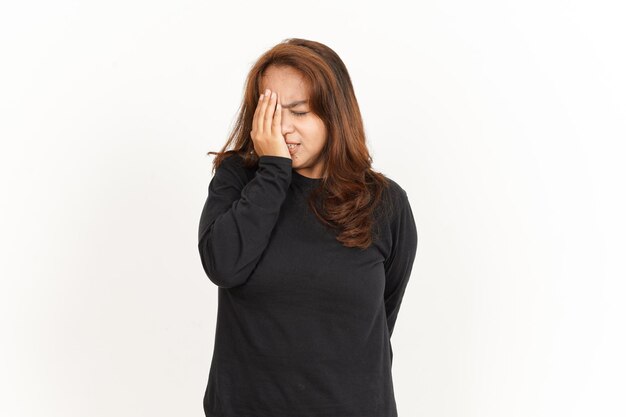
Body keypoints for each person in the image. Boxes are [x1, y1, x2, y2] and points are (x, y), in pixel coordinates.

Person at [197, 38, 418, 417]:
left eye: (299, 112)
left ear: (335, 115)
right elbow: (223, 265)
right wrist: (273, 172)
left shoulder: (386, 203)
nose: (282, 129)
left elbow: (378, 322)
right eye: (270, 112)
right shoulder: (238, 180)